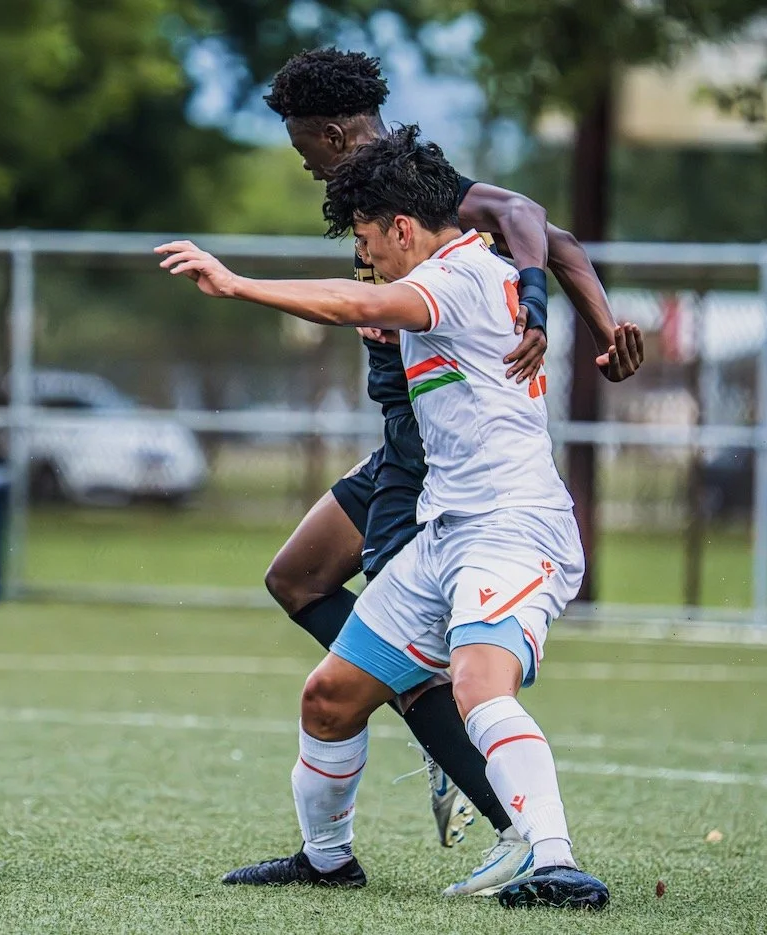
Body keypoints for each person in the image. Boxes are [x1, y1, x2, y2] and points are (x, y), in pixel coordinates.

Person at [156, 125, 612, 911]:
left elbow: (365, 297)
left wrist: (238, 284)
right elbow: (400, 310)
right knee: (329, 697)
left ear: (404, 228)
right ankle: (328, 860)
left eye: (368, 239)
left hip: (511, 529)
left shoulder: (459, 274)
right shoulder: (455, 274)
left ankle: (556, 860)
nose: (365, 256)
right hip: (446, 531)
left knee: (476, 682)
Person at [256, 48, 644, 896]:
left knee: (457, 672)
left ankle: (521, 829)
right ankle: (347, 818)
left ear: (330, 133)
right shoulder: (373, 208)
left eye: (302, 148)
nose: (305, 164)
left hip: (455, 472)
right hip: (409, 442)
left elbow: (542, 225)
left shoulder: (437, 202)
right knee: (297, 581)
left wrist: (555, 312)